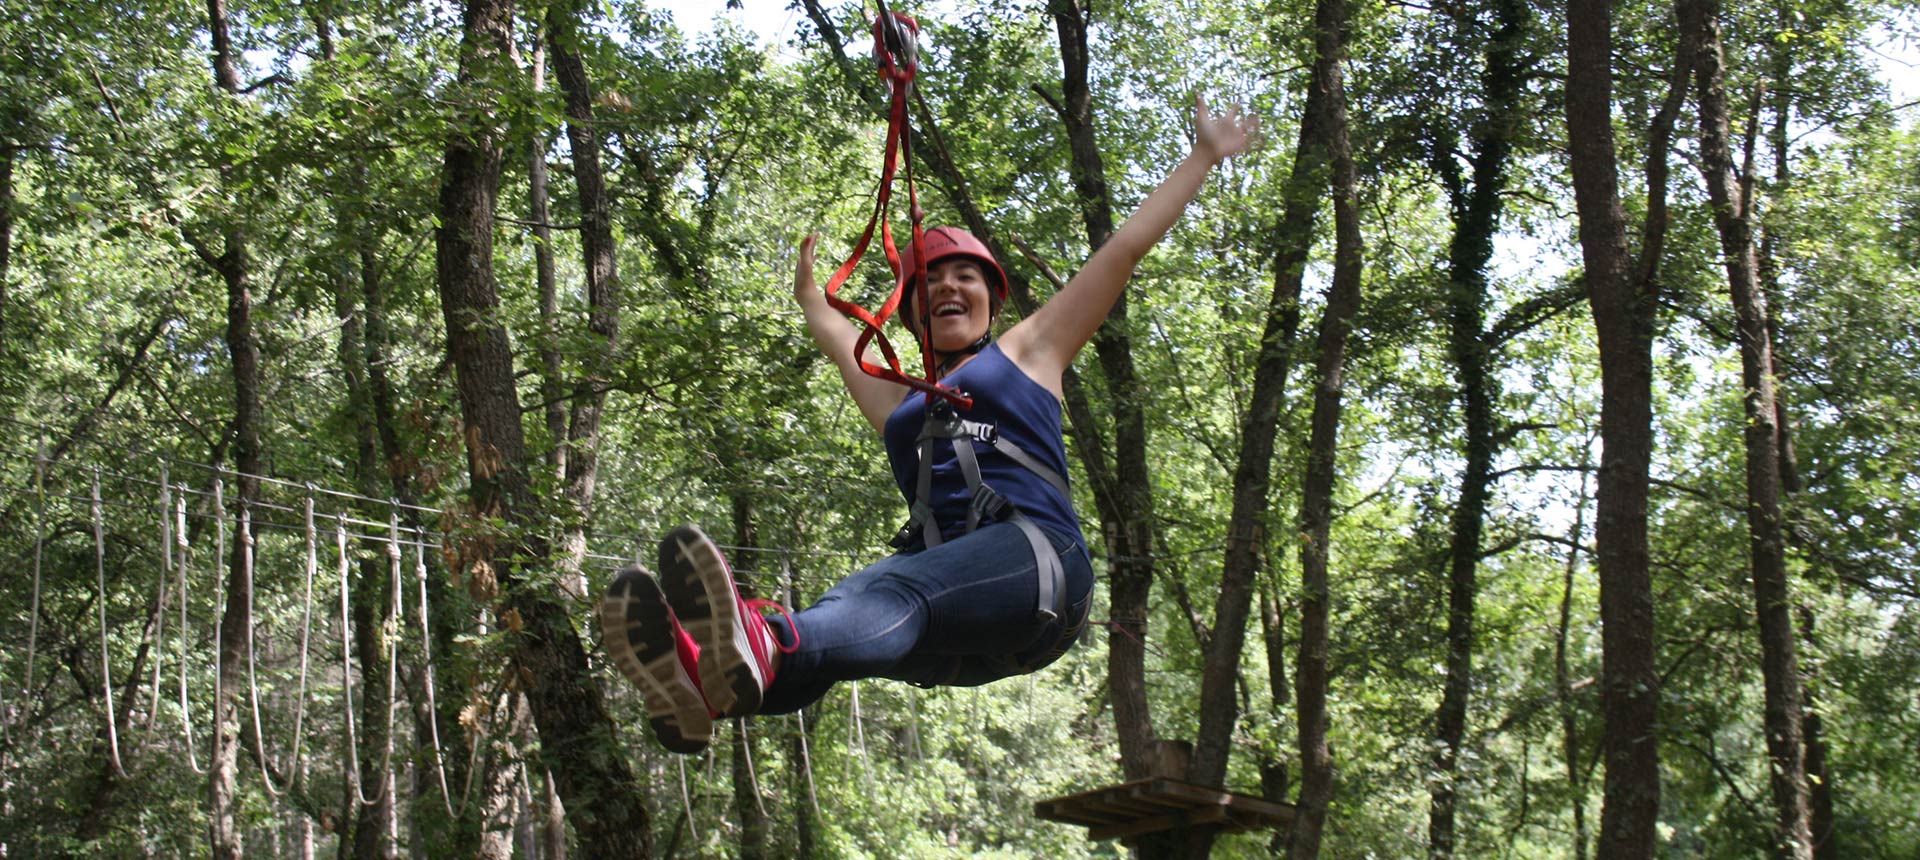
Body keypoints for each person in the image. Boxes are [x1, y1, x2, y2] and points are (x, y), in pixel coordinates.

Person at [601, 94, 1258, 753]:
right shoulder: (901, 407)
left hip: (1037, 568)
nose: (947, 286)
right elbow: (842, 344)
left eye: (965, 276)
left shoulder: (1031, 351)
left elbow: (1122, 251)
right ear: (916, 316)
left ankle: (761, 639)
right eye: (932, 282)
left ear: (991, 299)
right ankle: (699, 686)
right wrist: (809, 298)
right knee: (842, 614)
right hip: (961, 630)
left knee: (889, 588)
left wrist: (1203, 156)